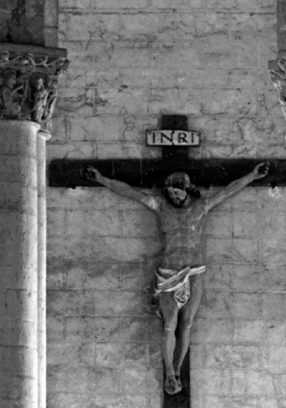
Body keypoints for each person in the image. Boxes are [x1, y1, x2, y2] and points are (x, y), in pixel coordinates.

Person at [85, 162, 271, 394]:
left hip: (195, 271)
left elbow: (227, 191)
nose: (173, 196)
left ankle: (178, 368)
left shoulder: (201, 207)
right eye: (170, 192)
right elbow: (131, 192)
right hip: (169, 273)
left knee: (187, 324)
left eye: (177, 191)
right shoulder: (160, 206)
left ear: (186, 189)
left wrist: (252, 175)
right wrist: (101, 179)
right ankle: (169, 372)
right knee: (169, 325)